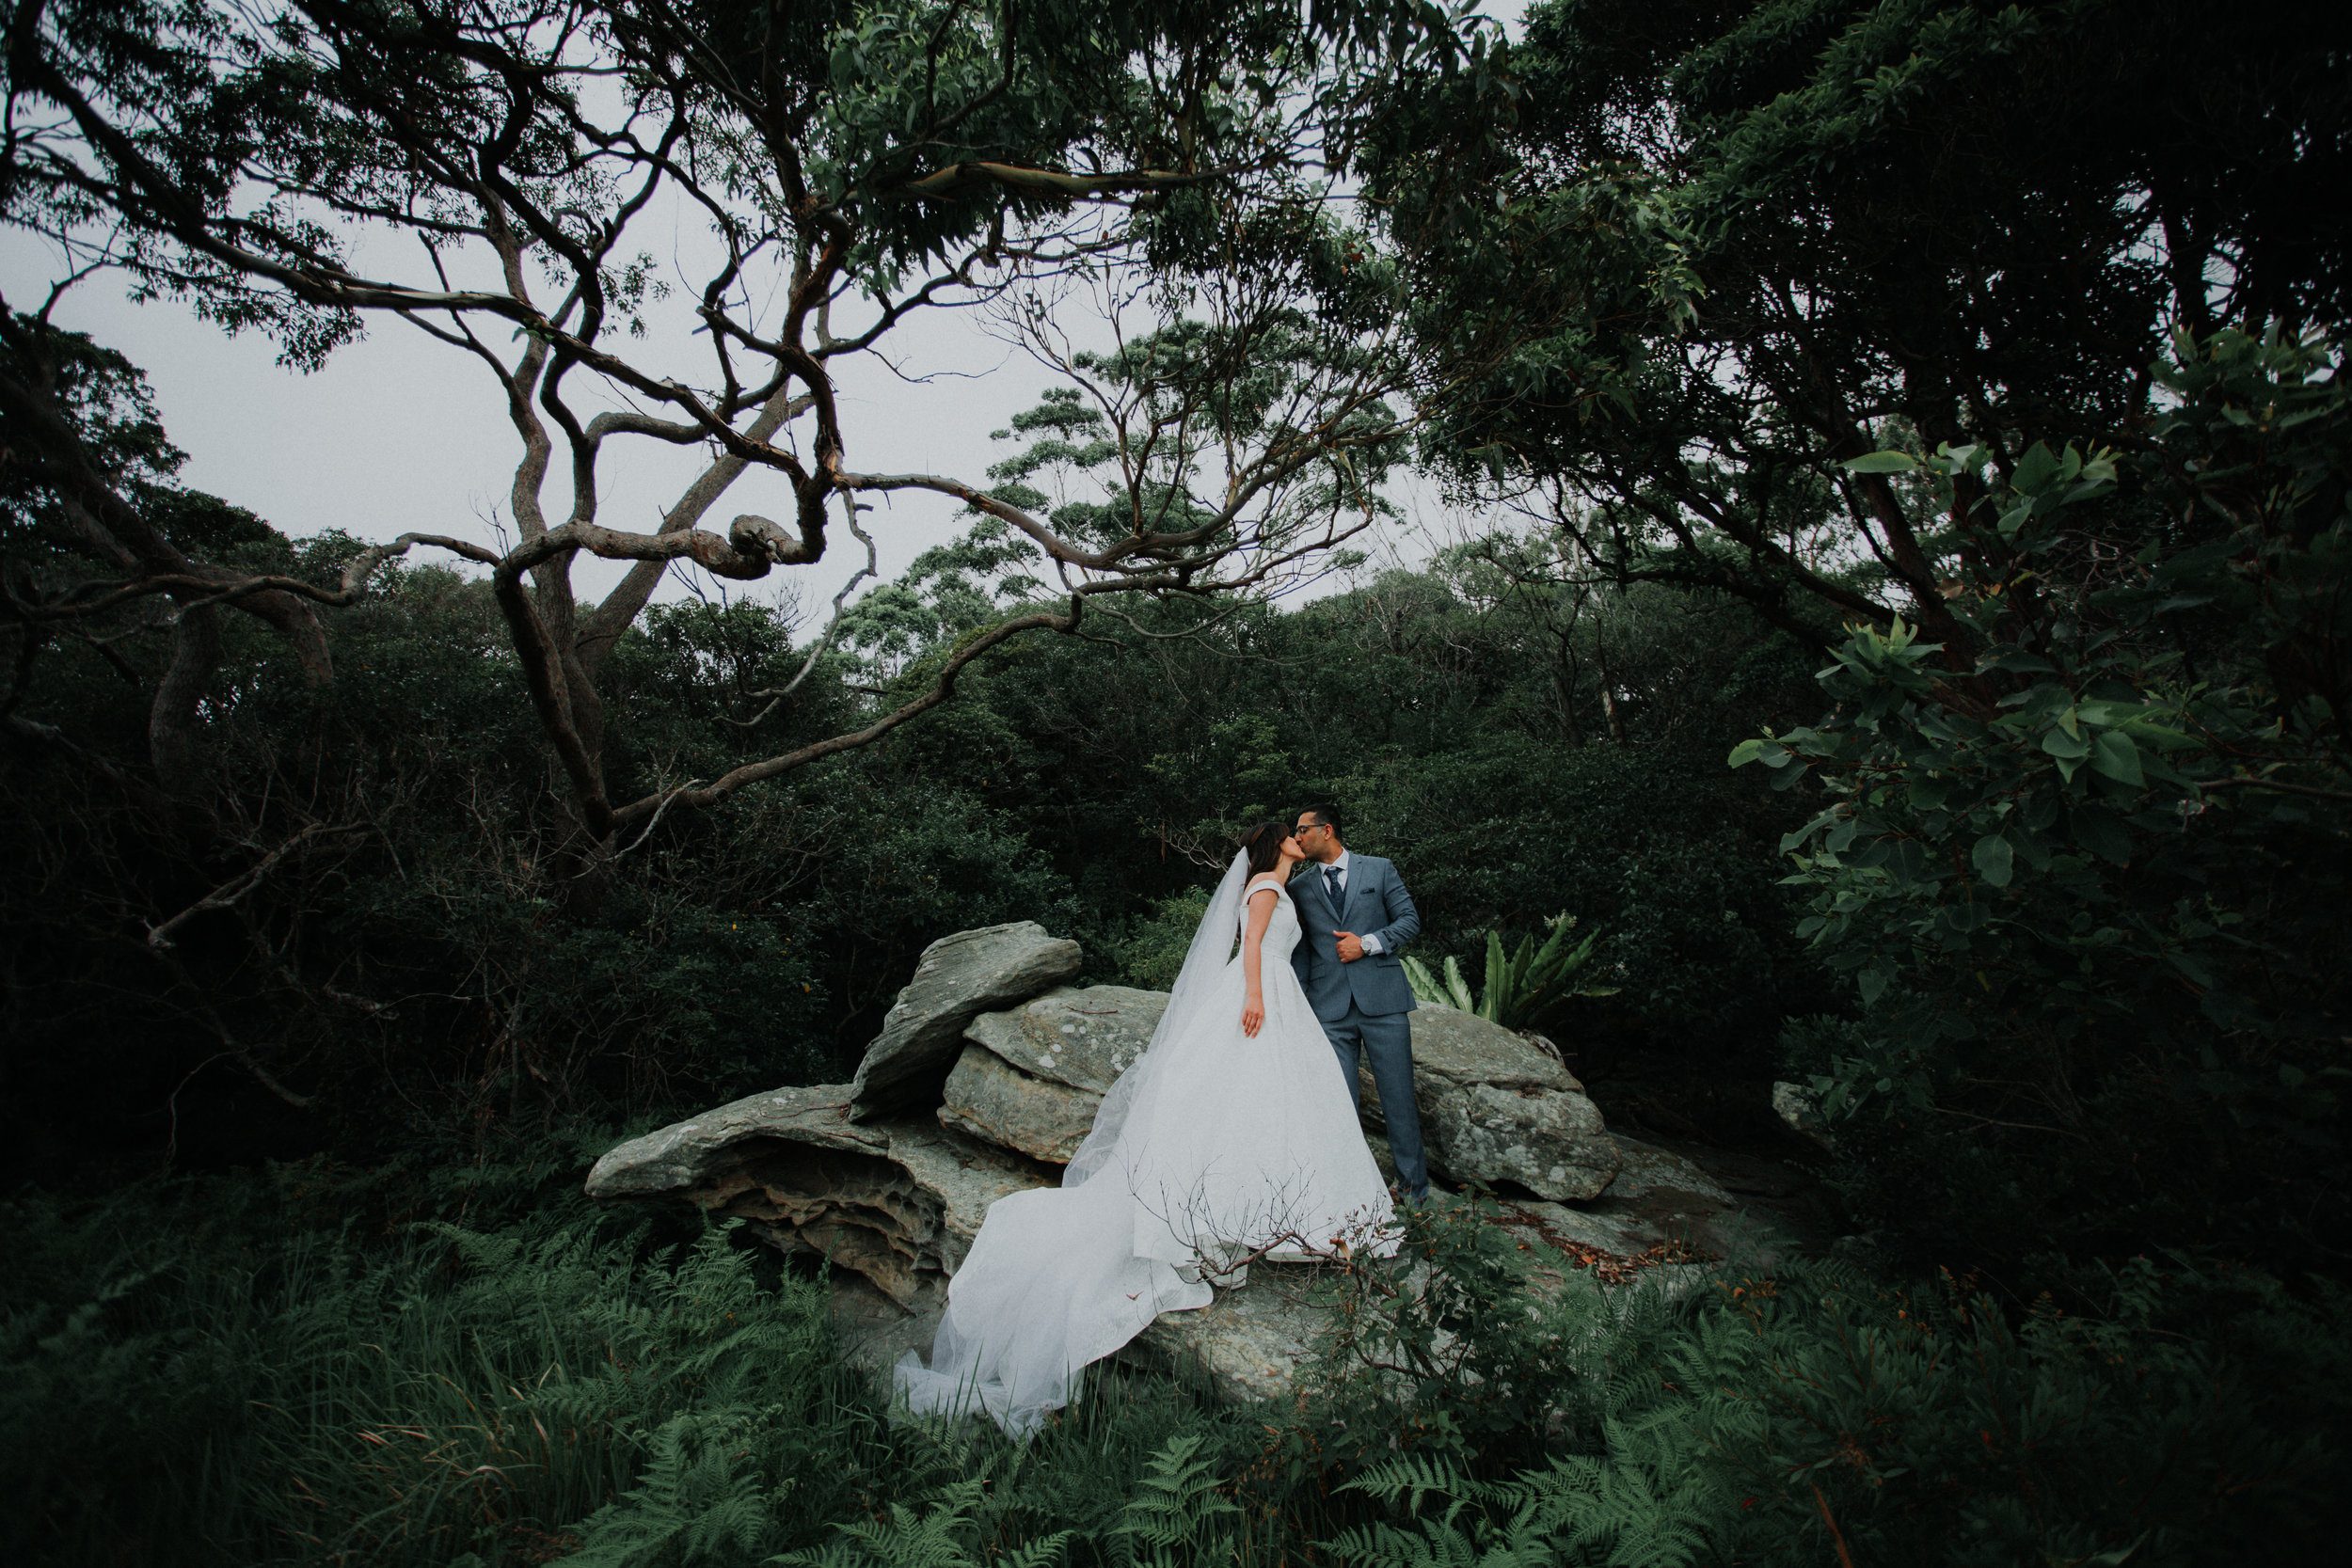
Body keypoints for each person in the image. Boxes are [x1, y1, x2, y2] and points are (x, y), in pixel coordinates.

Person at [894, 820, 1394, 1436]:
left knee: (1274, 1106)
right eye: (1289, 834)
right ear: (1272, 846)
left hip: (1277, 993)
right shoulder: (1266, 884)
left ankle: (1284, 1213)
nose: (1299, 837)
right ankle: (1246, 1215)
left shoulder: (1282, 884)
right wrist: (1256, 998)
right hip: (1259, 992)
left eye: (1303, 833)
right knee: (1250, 1103)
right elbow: (1257, 945)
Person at [1288, 806, 1429, 1204]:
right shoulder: (1299, 889)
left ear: (1326, 830)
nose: (1297, 838)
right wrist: (1297, 1005)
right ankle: (1350, 1193)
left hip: (1383, 1003)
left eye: (1302, 830)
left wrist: (1366, 944)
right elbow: (1302, 954)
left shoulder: (1380, 869)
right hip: (1328, 1010)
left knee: (1398, 1099)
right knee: (1337, 1104)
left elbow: (1409, 920)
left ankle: (1413, 1193)